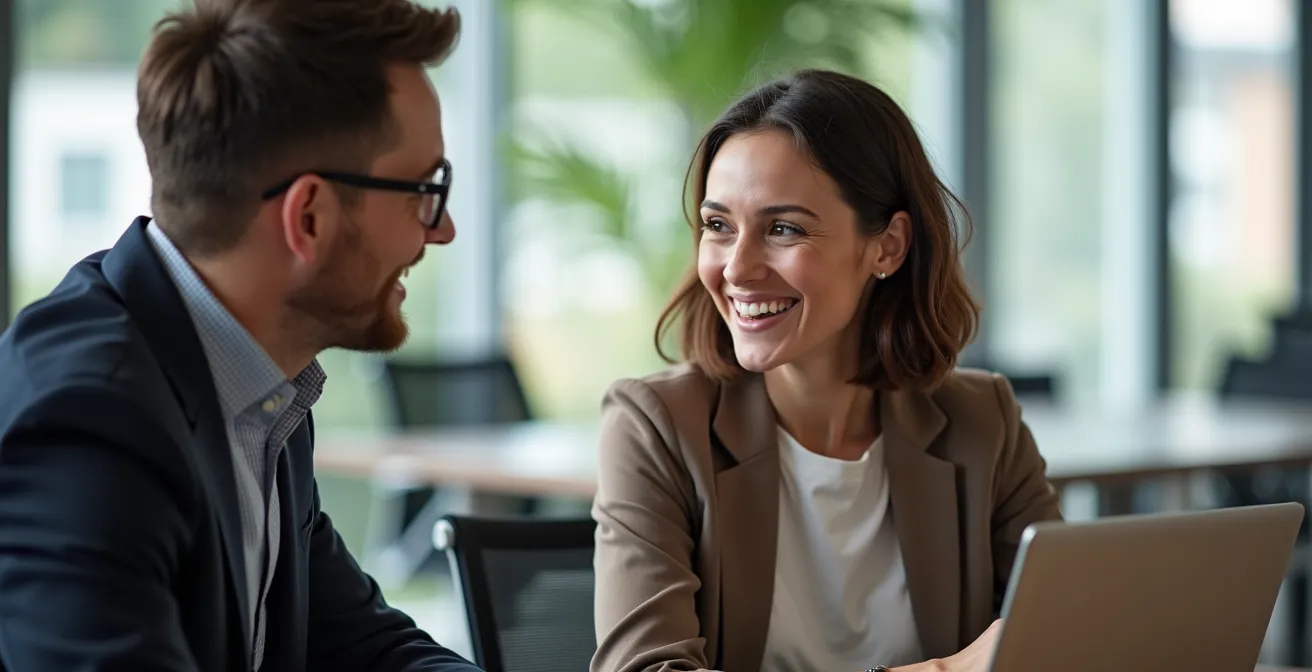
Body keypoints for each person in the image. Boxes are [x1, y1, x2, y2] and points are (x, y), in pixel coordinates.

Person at [0, 1, 481, 670]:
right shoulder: (88, 421)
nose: (443, 229)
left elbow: (363, 648)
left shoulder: (261, 388)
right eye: (423, 191)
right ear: (308, 217)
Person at [590, 69, 1063, 672]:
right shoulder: (656, 426)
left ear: (887, 246)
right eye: (718, 226)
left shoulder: (982, 421)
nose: (736, 268)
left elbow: (1065, 630)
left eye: (783, 228)